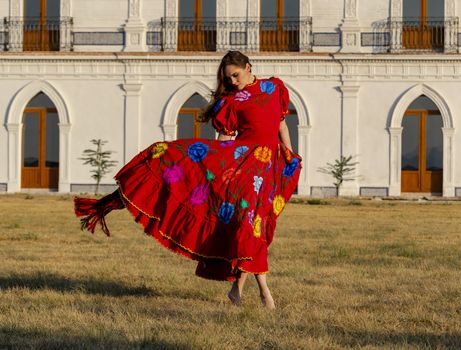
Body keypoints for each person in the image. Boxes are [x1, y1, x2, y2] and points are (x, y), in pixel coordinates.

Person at [74, 51, 301, 309]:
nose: (233, 82)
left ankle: (236, 290)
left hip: (270, 169)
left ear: (249, 68)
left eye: (236, 76)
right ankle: (265, 294)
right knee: (251, 228)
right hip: (244, 171)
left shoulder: (275, 88)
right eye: (228, 79)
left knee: (252, 229)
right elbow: (225, 142)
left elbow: (281, 126)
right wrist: (214, 166)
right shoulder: (230, 102)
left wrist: (290, 156)